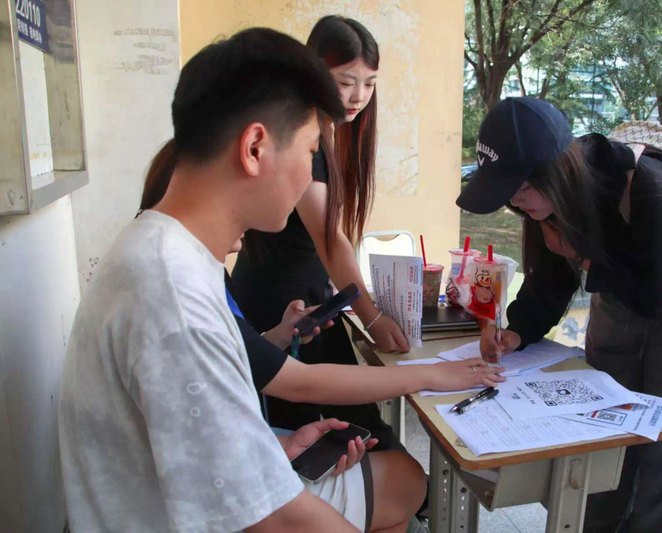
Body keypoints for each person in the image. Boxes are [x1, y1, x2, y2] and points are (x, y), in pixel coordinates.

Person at [59, 28, 425, 533]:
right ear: (255, 148)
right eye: (310, 151)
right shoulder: (173, 299)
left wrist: (273, 444)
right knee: (405, 480)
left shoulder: (166, 252)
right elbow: (275, 521)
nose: (310, 176)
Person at [458, 97, 662, 532]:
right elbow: (549, 277)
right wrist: (518, 332)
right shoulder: (543, 199)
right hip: (619, 300)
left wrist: (587, 259)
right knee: (603, 440)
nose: (515, 201)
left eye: (521, 189)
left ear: (554, 171)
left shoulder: (647, 186)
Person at [139, 139, 506, 415]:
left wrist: (279, 335)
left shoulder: (189, 263)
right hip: (226, 462)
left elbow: (237, 357)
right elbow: (299, 382)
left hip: (239, 436)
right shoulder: (182, 282)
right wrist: (430, 374)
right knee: (402, 476)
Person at [229, 16, 407, 449]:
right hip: (281, 310)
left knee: (356, 433)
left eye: (370, 84)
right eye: (346, 81)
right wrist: (372, 317)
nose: (358, 96)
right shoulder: (305, 138)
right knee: (334, 438)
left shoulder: (322, 132)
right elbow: (330, 240)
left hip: (308, 305)